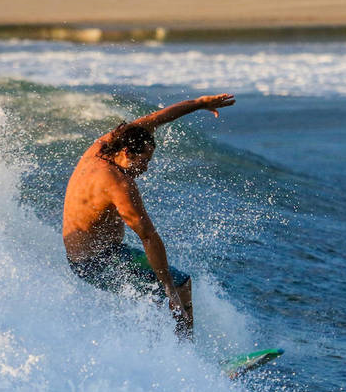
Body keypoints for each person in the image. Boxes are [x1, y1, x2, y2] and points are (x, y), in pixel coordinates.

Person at [62, 94, 236, 338]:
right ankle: (182, 356)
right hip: (97, 263)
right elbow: (148, 237)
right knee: (177, 285)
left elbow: (155, 119)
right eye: (143, 162)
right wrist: (169, 290)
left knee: (157, 292)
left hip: (86, 259)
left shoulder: (101, 148)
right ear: (126, 153)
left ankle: (162, 350)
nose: (145, 168)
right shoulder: (118, 183)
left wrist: (198, 104)